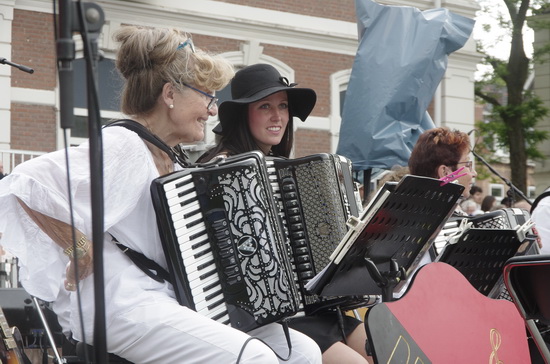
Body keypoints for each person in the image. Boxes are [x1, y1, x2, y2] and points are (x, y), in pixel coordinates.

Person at [0, 27, 321, 364]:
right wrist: (80, 248)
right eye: (207, 96)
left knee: (303, 352)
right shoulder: (126, 145)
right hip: (124, 306)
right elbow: (28, 182)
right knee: (256, 359)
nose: (213, 111)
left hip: (166, 298)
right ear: (170, 94)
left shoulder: (168, 154)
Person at [198, 63, 372, 364]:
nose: (277, 116)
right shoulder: (219, 169)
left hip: (316, 310)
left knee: (389, 349)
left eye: (283, 106)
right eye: (264, 106)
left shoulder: (282, 168)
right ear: (243, 114)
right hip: (270, 320)